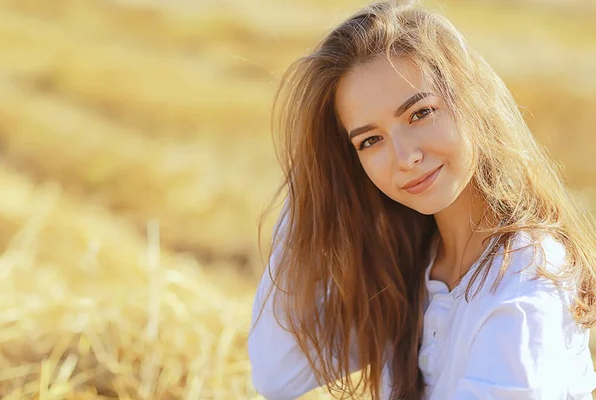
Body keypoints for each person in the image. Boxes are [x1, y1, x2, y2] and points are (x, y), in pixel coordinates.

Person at [247, 1, 596, 399]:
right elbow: (278, 374)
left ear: (471, 100)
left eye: (420, 113)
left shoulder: (524, 280)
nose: (405, 156)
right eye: (370, 140)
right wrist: (317, 179)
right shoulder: (412, 258)